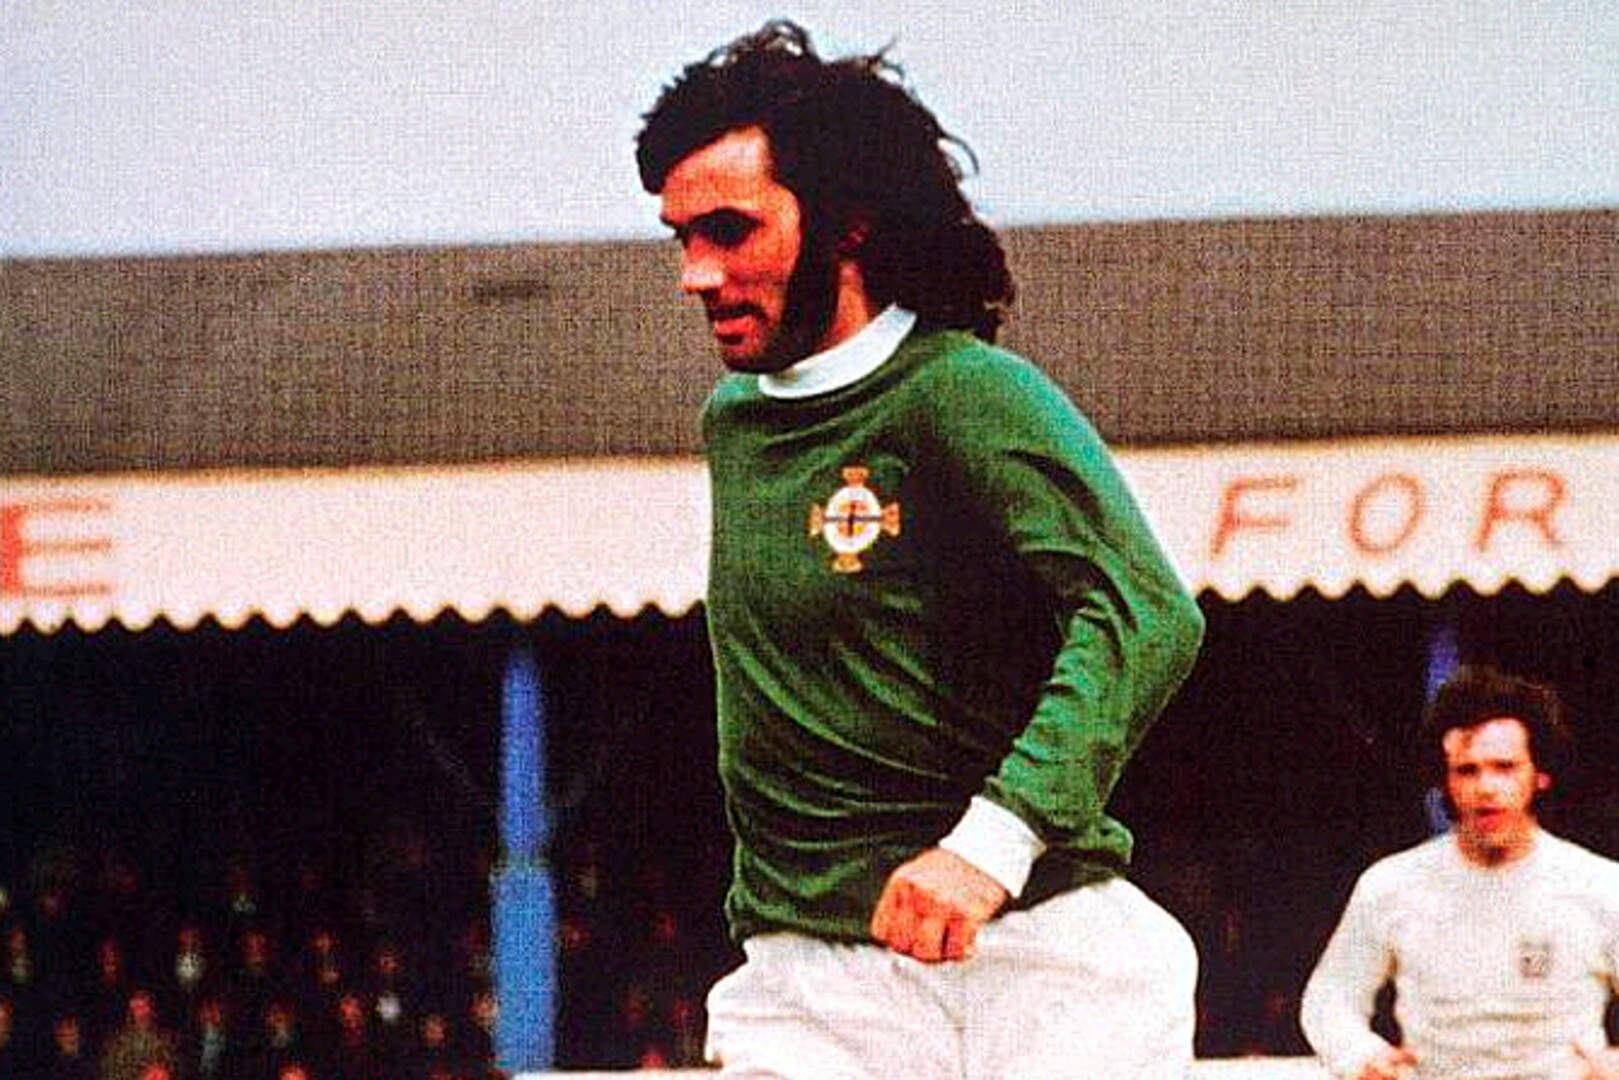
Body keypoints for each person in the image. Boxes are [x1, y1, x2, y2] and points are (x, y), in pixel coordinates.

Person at [635, 21, 1206, 1079]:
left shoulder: (964, 393)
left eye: (729, 231)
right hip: (806, 981)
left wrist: (990, 845)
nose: (695, 275)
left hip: (1032, 959)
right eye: (680, 238)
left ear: (846, 224)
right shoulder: (736, 423)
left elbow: (1143, 613)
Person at [1300, 665, 1619, 1080]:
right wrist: (1361, 1056)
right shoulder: (1392, 886)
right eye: (1468, 770)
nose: (1486, 787)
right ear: (1445, 780)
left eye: (1505, 767)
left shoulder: (1599, 886)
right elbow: (1329, 1000)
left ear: (1538, 774)